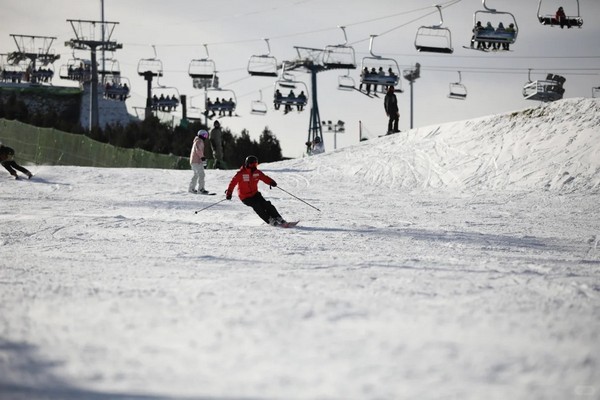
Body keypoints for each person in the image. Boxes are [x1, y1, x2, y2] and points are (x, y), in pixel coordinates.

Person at [225, 155, 287, 226]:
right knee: (257, 206)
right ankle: (269, 220)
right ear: (248, 164)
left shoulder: (257, 172)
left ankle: (277, 217)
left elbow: (264, 178)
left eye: (256, 164)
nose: (254, 166)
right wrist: (229, 193)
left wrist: (271, 182)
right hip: (245, 197)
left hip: (255, 194)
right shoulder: (241, 174)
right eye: (252, 164)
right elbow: (232, 183)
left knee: (266, 204)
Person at [188, 130, 210, 194]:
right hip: (197, 161)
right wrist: (203, 158)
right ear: (201, 135)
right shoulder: (199, 141)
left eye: (206, 136)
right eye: (205, 135)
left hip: (194, 161)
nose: (206, 137)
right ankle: (201, 189)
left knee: (196, 174)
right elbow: (198, 151)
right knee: (201, 174)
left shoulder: (197, 141)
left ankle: (191, 188)